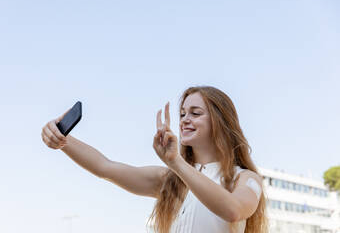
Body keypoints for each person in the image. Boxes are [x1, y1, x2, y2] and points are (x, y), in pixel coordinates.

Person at [41, 86, 269, 233]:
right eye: (182, 114)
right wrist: (62, 139)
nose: (185, 120)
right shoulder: (169, 180)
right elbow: (105, 167)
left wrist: (176, 162)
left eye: (195, 113)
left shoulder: (246, 179)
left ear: (221, 121)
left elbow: (233, 210)